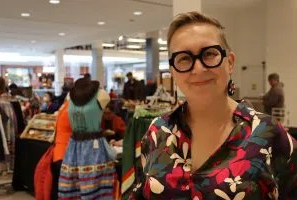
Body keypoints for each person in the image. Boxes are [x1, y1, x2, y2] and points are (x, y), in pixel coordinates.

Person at [130, 11, 297, 199]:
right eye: (184, 58)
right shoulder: (157, 132)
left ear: (230, 62)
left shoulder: (268, 133)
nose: (198, 68)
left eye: (209, 54)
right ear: (173, 71)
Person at [58, 78, 116, 199]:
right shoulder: (71, 95)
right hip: (74, 147)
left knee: (94, 186)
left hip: (94, 147)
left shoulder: (101, 95)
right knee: (71, 185)